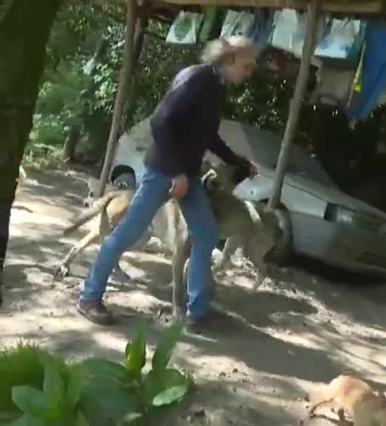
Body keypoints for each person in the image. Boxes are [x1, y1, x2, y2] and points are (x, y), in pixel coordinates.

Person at [77, 36, 259, 328]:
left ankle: (196, 313)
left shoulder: (215, 87)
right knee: (125, 234)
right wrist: (175, 173)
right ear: (230, 59)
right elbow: (160, 122)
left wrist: (239, 163)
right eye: (247, 66)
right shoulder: (196, 79)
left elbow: (208, 136)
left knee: (206, 233)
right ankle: (89, 297)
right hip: (164, 170)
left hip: (188, 175)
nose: (249, 73)